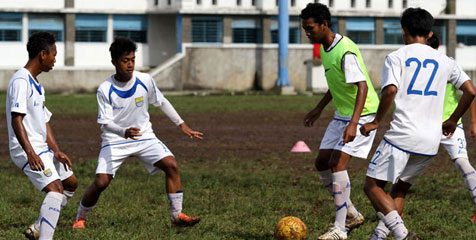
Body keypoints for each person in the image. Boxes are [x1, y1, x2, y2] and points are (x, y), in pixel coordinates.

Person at [360, 8, 476, 240]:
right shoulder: (446, 61)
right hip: (431, 140)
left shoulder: (396, 57)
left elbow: (390, 90)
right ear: (430, 32)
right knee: (399, 190)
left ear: (403, 31)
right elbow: (470, 90)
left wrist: (375, 121)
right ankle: (378, 238)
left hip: (402, 135)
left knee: (372, 186)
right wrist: (453, 119)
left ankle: (403, 235)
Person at [72, 37, 202, 229]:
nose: (130, 64)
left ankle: (176, 217)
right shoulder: (105, 89)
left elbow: (162, 101)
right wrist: (123, 132)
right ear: (114, 62)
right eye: (126, 60)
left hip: (143, 136)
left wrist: (181, 124)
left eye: (133, 59)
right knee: (101, 182)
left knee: (171, 165)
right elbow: (105, 123)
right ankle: (80, 219)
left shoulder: (145, 80)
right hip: (115, 139)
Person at [300, 3, 380, 239]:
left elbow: (362, 86)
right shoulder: (325, 48)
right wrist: (318, 109)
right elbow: (335, 84)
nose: (307, 32)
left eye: (310, 28)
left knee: (337, 164)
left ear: (324, 24)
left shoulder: (344, 50)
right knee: (321, 162)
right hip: (342, 114)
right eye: (304, 28)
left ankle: (340, 228)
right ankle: (352, 214)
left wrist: (354, 124)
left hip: (362, 114)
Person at [6, 31, 78, 240]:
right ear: (42, 55)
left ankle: (39, 226)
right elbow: (16, 120)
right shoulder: (21, 80)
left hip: (41, 148)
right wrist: (30, 153)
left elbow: (44, 122)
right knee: (55, 190)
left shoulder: (38, 85)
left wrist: (56, 151)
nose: (55, 59)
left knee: (70, 184)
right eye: (54, 54)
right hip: (25, 147)